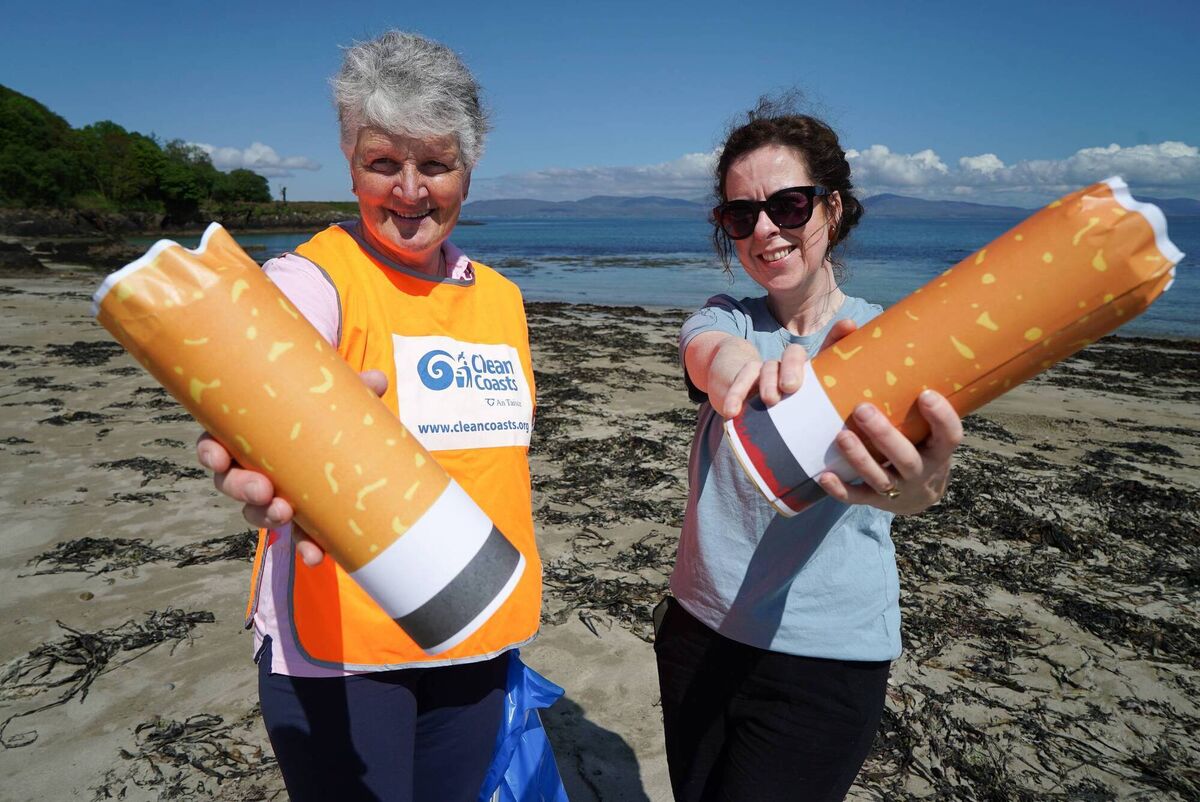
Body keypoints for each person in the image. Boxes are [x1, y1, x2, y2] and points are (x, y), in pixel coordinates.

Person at [195, 31, 541, 802]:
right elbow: (261, 354)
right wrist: (250, 436)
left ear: (469, 167)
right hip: (344, 655)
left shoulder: (503, 300)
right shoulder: (312, 277)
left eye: (436, 163)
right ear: (351, 164)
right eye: (384, 163)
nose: (410, 191)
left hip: (476, 636)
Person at [653, 100, 964, 802]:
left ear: (833, 210)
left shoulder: (885, 343)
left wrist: (921, 490)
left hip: (826, 659)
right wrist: (739, 373)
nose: (765, 231)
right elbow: (709, 354)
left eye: (788, 206)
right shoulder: (724, 316)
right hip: (696, 631)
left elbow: (921, 481)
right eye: (741, 216)